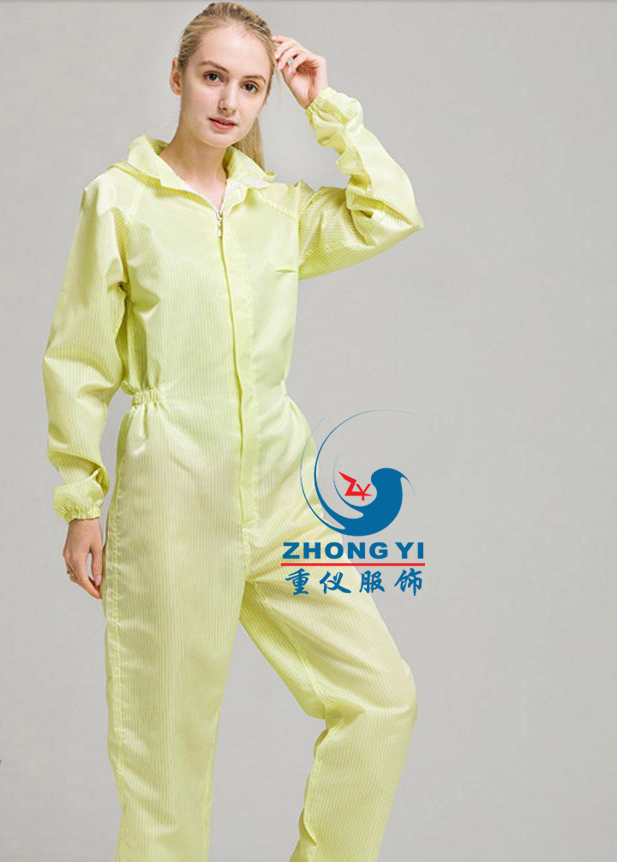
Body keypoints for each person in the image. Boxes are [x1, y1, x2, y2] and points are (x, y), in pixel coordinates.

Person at [41, 3, 425, 860]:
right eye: (213, 77)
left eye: (251, 86)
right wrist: (80, 498)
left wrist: (326, 107)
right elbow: (78, 357)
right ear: (177, 77)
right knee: (165, 758)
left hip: (284, 498)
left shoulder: (277, 209)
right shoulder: (119, 202)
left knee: (380, 696)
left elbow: (390, 212)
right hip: (173, 500)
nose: (228, 101)